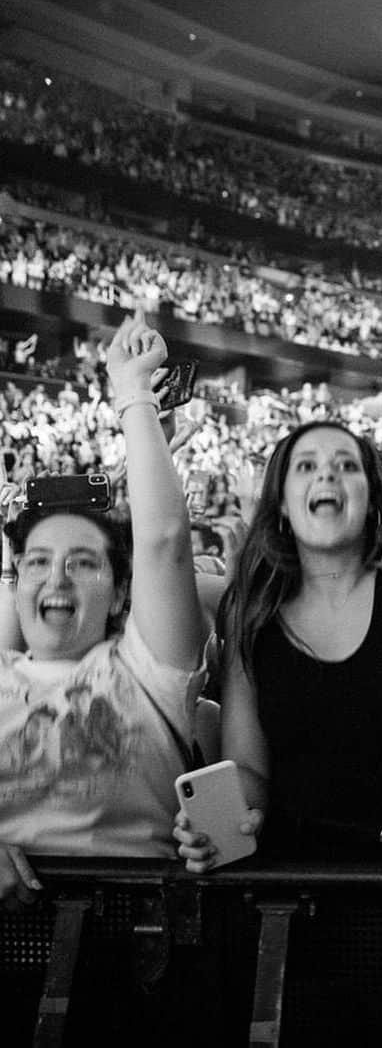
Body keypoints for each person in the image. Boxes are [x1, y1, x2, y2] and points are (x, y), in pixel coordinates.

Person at [176, 152, 382, 868]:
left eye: (346, 463)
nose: (328, 474)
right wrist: (228, 823)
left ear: (369, 495)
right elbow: (248, 769)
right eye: (307, 467)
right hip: (305, 891)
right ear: (283, 508)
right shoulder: (252, 616)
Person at [0, 312, 205, 906]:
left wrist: (133, 393)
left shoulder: (149, 671)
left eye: (83, 562)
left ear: (122, 592)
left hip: (136, 949)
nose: (56, 577)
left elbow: (165, 540)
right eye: (36, 561)